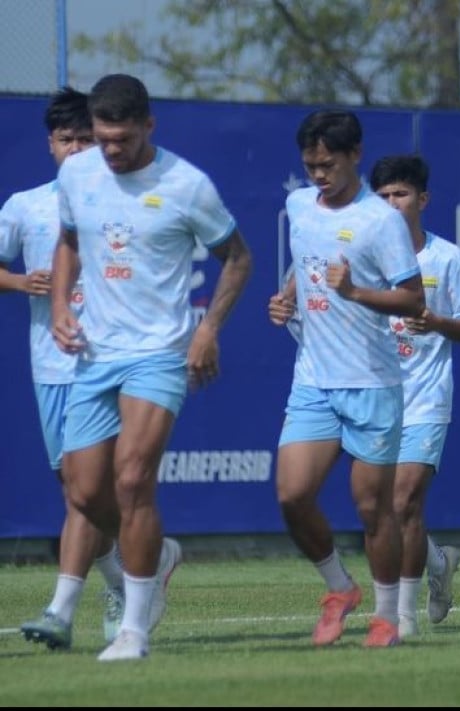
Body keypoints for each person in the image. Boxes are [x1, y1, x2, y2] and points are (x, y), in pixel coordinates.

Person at [49, 73, 254, 661]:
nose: (111, 151)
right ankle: (157, 556)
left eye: (123, 139)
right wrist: (61, 306)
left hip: (160, 353)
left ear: (148, 126)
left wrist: (207, 329)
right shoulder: (77, 173)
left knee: (133, 479)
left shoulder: (188, 185)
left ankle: (133, 631)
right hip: (94, 354)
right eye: (102, 139)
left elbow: (238, 258)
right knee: (84, 491)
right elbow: (68, 242)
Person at [266, 110, 425, 649]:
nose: (319, 175)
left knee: (372, 508)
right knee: (292, 495)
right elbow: (306, 261)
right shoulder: (298, 205)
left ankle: (387, 617)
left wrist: (355, 292)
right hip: (313, 380)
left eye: (328, 164)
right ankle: (339, 588)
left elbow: (412, 298)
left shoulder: (381, 221)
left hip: (373, 382)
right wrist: (288, 296)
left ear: (355, 155)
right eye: (310, 165)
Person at [2, 87, 129, 652]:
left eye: (85, 139)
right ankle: (130, 576)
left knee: (89, 491)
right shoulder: (26, 206)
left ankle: (68, 607)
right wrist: (19, 281)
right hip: (52, 367)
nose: (75, 149)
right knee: (78, 493)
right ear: (50, 144)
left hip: (109, 366)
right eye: (65, 139)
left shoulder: (125, 201)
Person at [369, 154, 460, 637]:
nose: (392, 203)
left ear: (423, 200)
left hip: (427, 398)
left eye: (401, 194)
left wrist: (436, 322)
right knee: (384, 509)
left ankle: (404, 615)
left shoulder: (448, 259)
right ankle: (439, 562)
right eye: (382, 196)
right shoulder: (363, 259)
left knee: (404, 502)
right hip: (375, 399)